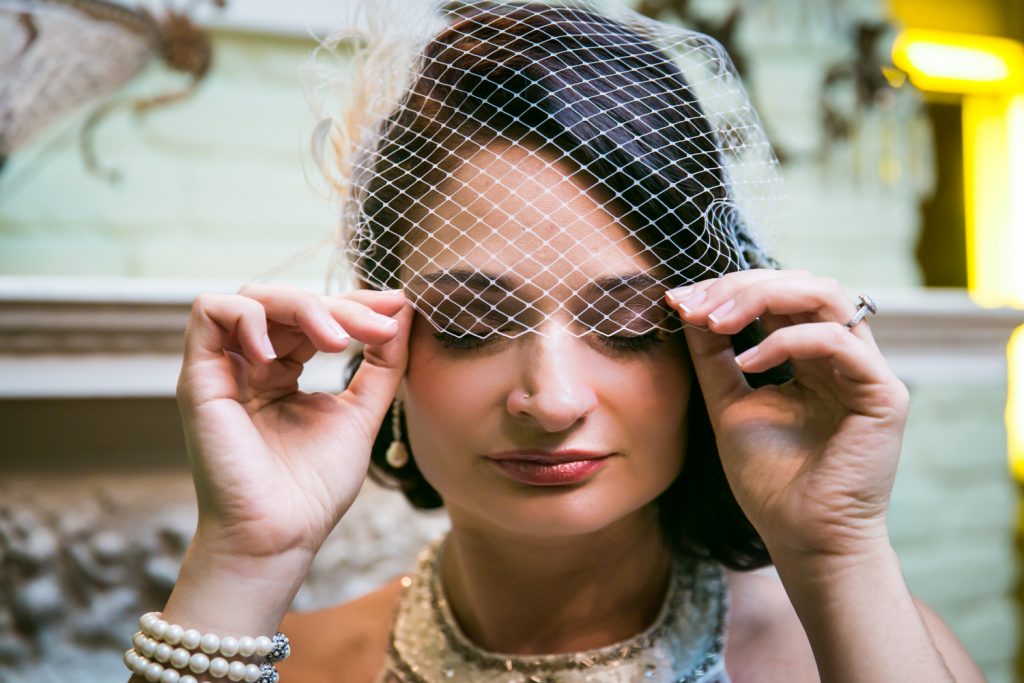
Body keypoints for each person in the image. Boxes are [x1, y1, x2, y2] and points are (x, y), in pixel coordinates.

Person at [126, 2, 984, 682]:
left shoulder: (862, 651)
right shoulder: (291, 666)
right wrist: (243, 556)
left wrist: (838, 551)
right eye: (469, 320)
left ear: (705, 344)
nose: (552, 398)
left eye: (627, 324)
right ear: (380, 336)